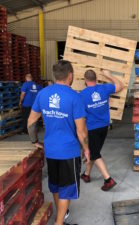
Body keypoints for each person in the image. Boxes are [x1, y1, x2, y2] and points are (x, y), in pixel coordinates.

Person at [27, 60, 90, 225]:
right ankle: (59, 223)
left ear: (55, 76)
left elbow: (31, 122)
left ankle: (61, 217)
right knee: (66, 190)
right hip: (69, 152)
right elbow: (81, 131)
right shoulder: (75, 97)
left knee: (55, 186)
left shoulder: (42, 94)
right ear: (70, 75)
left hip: (51, 150)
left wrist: (35, 140)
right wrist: (86, 149)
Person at [80, 69, 124, 191]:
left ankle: (108, 180)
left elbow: (81, 117)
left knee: (94, 153)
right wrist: (109, 75)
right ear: (96, 79)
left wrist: (82, 134)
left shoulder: (82, 95)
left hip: (93, 128)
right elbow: (120, 85)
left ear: (85, 80)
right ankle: (86, 174)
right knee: (95, 151)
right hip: (104, 127)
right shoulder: (104, 88)